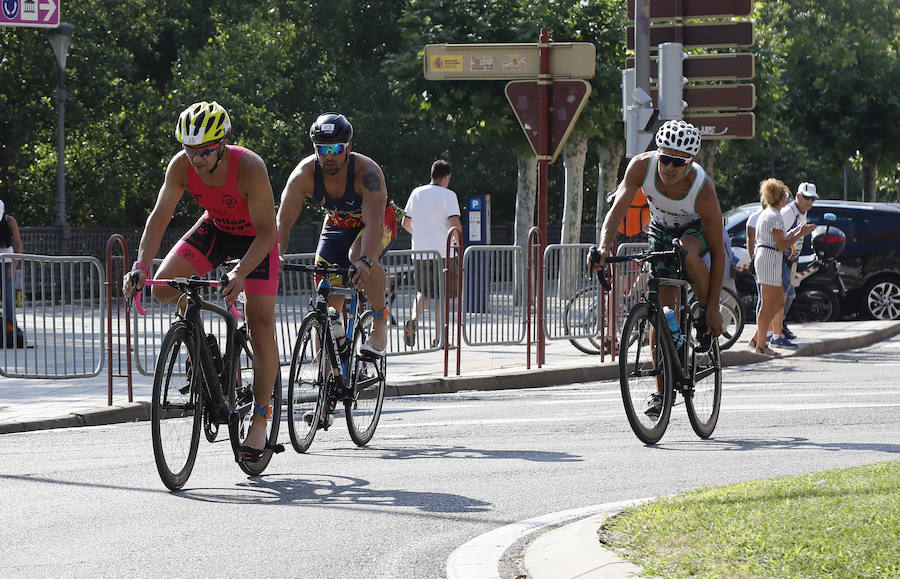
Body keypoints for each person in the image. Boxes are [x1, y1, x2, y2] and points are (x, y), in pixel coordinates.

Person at [122, 101, 280, 462]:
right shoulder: (181, 166)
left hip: (256, 240)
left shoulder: (249, 167)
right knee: (163, 285)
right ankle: (202, 342)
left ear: (222, 143)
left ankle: (259, 419)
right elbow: (160, 214)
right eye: (189, 150)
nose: (196, 159)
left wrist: (240, 272)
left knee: (259, 323)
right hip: (217, 228)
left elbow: (268, 233)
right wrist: (141, 265)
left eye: (205, 151)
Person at [590, 120, 725, 418]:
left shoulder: (702, 189)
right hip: (660, 229)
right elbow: (617, 211)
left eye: (678, 162)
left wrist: (713, 307)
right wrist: (602, 249)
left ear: (690, 162)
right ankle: (662, 392)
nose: (669, 167)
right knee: (661, 314)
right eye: (665, 158)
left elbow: (717, 251)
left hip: (695, 232)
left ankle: (700, 313)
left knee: (687, 251)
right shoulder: (641, 167)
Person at [277, 112, 400, 357]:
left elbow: (374, 222)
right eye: (323, 150)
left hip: (376, 222)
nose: (329, 156)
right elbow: (283, 220)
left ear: (348, 147)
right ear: (315, 149)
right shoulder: (304, 174)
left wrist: (366, 260)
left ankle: (380, 320)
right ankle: (330, 372)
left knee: (358, 255)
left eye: (336, 149)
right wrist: (277, 254)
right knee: (326, 292)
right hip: (337, 225)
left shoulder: (368, 173)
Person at [749, 178, 816, 356]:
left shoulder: (769, 213)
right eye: (785, 195)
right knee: (770, 303)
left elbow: (781, 239)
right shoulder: (775, 216)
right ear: (779, 198)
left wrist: (796, 232)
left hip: (767, 257)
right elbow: (781, 245)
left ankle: (758, 340)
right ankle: (760, 344)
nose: (788, 198)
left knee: (776, 302)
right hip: (770, 258)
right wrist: (800, 233)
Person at [401, 159, 462, 348]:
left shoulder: (416, 193)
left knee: (424, 292)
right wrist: (458, 243)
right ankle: (440, 339)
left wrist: (419, 235)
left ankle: (412, 319)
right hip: (442, 253)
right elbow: (454, 223)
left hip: (420, 251)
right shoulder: (448, 195)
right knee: (442, 297)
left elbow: (405, 222)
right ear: (446, 177)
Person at [773, 181, 818, 347]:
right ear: (798, 196)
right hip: (781, 259)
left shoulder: (801, 212)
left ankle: (779, 327)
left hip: (790, 260)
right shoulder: (788, 212)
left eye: (812, 199)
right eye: (806, 198)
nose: (809, 202)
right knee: (780, 297)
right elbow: (781, 239)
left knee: (789, 295)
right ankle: (775, 333)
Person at [0, 200, 25, 347]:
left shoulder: (9, 221)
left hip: (7, 262)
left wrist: (13, 266)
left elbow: (19, 246)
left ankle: (12, 328)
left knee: (8, 298)